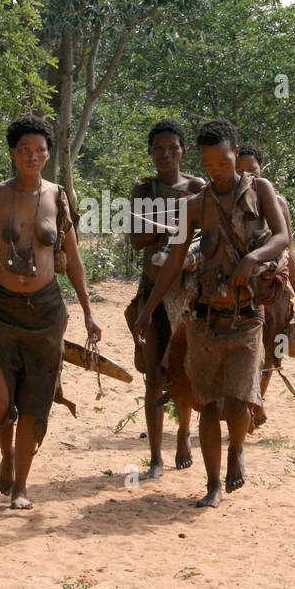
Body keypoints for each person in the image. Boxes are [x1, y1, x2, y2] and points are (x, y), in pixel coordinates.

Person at [133, 119, 289, 508]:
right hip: (203, 316)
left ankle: (236, 449)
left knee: (237, 402)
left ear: (236, 153)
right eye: (210, 164)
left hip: (247, 315)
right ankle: (212, 485)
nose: (217, 170)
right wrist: (148, 309)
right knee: (208, 404)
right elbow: (174, 262)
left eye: (224, 161)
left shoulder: (262, 191)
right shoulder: (196, 205)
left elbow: (284, 237)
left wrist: (252, 258)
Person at [0, 115, 101, 510]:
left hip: (47, 313)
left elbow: (72, 259)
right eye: (24, 149)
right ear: (12, 153)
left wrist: (89, 312)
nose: (32, 156)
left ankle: (21, 485)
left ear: (49, 153)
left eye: (39, 150)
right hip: (3, 311)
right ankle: (6, 456)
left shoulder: (57, 197)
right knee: (3, 404)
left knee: (36, 405)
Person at [124, 119, 205, 477]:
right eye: (158, 148)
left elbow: (207, 236)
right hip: (152, 289)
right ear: (150, 151)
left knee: (185, 370)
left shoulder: (198, 186)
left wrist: (162, 226)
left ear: (183, 150)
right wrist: (176, 225)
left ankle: (185, 433)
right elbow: (136, 239)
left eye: (172, 147)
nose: (165, 154)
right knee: (154, 374)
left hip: (188, 291)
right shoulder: (144, 189)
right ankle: (156, 456)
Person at [236, 143, 295, 424]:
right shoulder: (224, 202)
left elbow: (287, 250)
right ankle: (242, 407)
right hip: (240, 288)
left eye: (252, 171)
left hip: (274, 290)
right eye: (239, 171)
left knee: (272, 351)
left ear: (262, 170)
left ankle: (256, 405)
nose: (247, 178)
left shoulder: (278, 203)